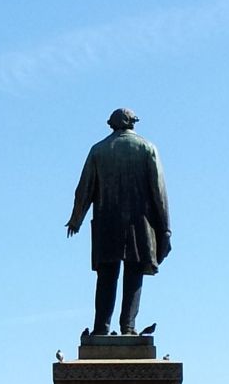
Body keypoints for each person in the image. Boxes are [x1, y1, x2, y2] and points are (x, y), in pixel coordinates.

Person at [66, 108, 171, 337]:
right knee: (134, 275)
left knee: (106, 277)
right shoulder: (147, 148)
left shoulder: (98, 150)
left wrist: (76, 219)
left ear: (112, 124)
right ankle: (128, 326)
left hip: (107, 223)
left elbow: (84, 189)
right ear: (132, 123)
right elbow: (159, 193)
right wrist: (165, 229)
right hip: (139, 224)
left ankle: (101, 327)